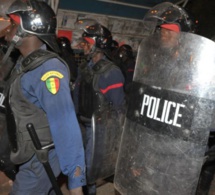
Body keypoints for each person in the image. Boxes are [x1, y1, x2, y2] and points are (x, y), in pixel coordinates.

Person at [2, 0, 86, 194]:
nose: (8, 30)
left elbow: (65, 126)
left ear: (28, 29)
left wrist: (75, 183)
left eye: (13, 24)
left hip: (39, 161)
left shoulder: (48, 70)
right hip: (27, 152)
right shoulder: (25, 63)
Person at [74, 22, 125, 195]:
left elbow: (118, 108)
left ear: (99, 45)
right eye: (84, 42)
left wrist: (115, 142)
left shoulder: (112, 72)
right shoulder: (84, 67)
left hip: (98, 129)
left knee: (91, 171)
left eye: (87, 43)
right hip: (81, 123)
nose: (84, 46)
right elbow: (77, 96)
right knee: (78, 165)